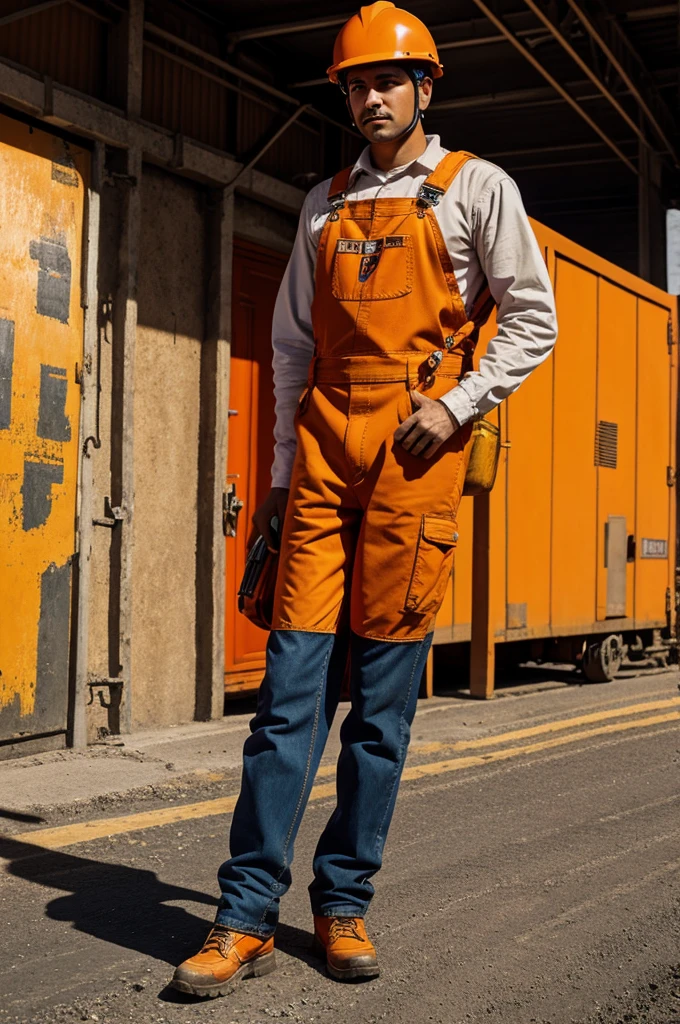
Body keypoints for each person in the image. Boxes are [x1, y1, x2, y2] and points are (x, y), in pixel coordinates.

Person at [172, 1, 557, 998]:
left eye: (386, 80)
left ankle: (340, 903)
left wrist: (459, 404)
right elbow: (293, 346)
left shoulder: (476, 188)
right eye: (354, 83)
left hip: (413, 462)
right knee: (285, 704)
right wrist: (274, 484)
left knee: (378, 718)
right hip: (320, 465)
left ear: (424, 87)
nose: (369, 96)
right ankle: (242, 913)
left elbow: (532, 319)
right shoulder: (324, 203)